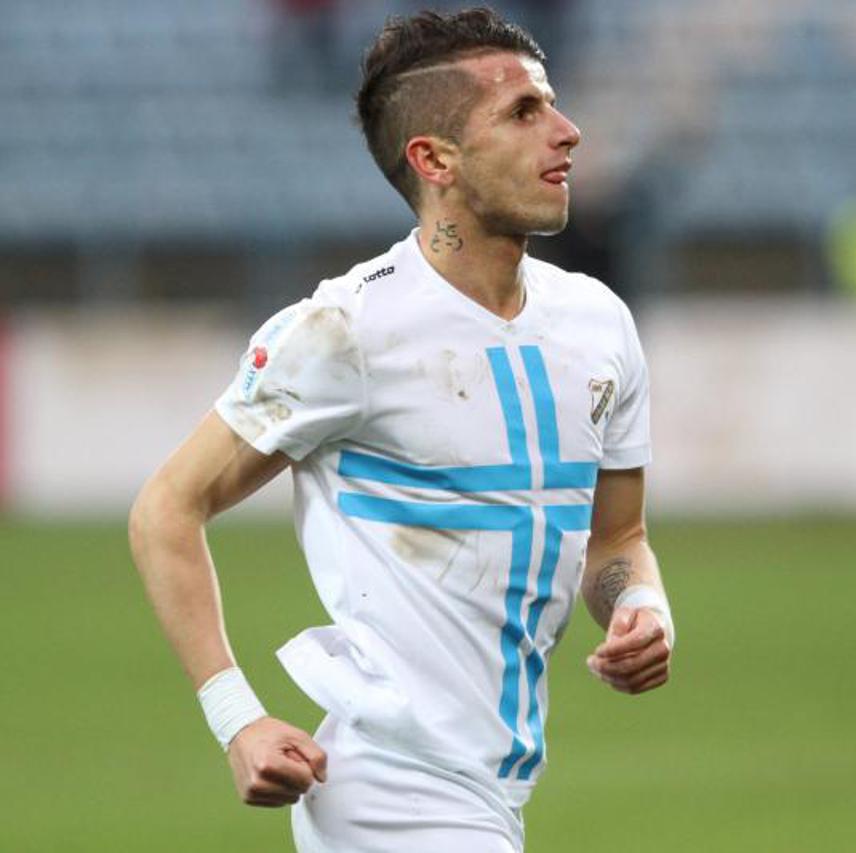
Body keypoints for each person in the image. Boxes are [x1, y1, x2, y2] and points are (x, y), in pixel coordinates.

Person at [127, 9, 674, 852]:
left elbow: (617, 539)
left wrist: (639, 604)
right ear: (434, 160)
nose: (567, 131)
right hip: (391, 789)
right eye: (523, 112)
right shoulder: (345, 329)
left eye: (552, 103)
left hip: (489, 789)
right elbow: (166, 507)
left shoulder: (598, 323)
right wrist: (237, 717)